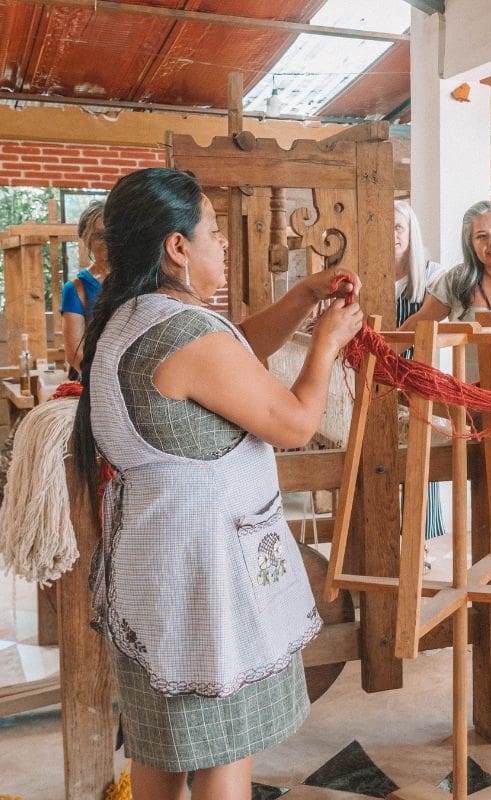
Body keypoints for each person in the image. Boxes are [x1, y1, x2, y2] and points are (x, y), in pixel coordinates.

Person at [72, 167, 363, 799]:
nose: (222, 243)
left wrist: (303, 299)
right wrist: (328, 346)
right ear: (176, 247)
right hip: (206, 595)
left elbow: (236, 352)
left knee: (165, 753)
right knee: (223, 755)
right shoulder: (183, 332)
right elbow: (292, 423)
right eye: (211, 230)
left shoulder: (131, 317)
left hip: (155, 575)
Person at [400, 201, 491, 391]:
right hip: (471, 404)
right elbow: (417, 324)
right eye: (481, 236)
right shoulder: (456, 281)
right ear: (470, 244)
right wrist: (374, 356)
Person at [393, 201, 447, 543]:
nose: (391, 235)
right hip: (376, 380)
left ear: (411, 232)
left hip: (417, 381)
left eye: (398, 227)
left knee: (419, 461)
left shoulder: (432, 275)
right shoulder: (366, 274)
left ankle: (417, 544)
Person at [61, 200, 107, 374]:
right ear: (87, 240)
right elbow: (75, 355)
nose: (107, 242)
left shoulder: (135, 281)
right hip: (92, 374)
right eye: (99, 236)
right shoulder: (76, 289)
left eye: (112, 234)